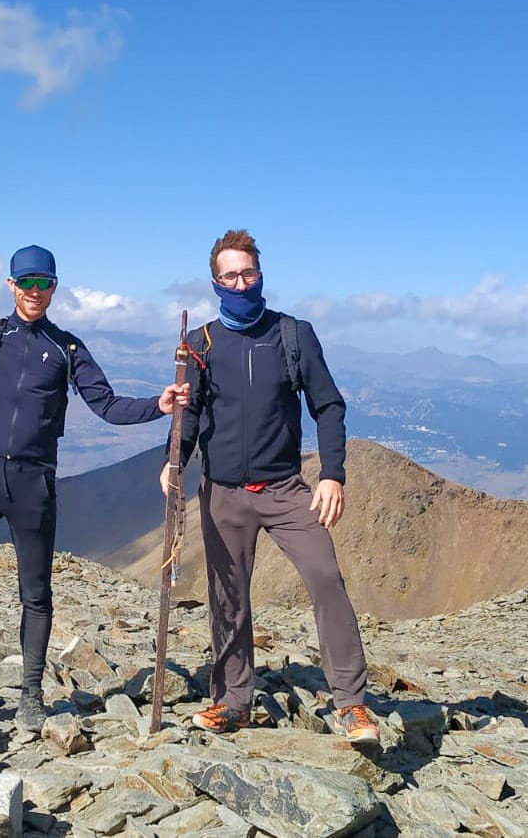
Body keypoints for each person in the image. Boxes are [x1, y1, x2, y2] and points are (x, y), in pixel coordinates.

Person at [0, 210, 189, 732]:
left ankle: (32, 695)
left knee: (36, 594)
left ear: (55, 289)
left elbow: (105, 405)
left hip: (34, 482)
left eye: (45, 284)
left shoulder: (67, 348)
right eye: (27, 283)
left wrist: (160, 403)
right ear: (11, 285)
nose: (36, 292)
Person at [162, 228, 379, 744]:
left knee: (326, 577)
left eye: (248, 273)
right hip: (222, 494)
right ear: (215, 282)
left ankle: (352, 705)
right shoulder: (201, 343)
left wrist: (332, 474)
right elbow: (189, 417)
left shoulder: (293, 334)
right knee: (227, 598)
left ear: (261, 274)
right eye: (230, 276)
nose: (241, 282)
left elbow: (328, 405)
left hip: (285, 489)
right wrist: (176, 462)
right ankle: (233, 701)